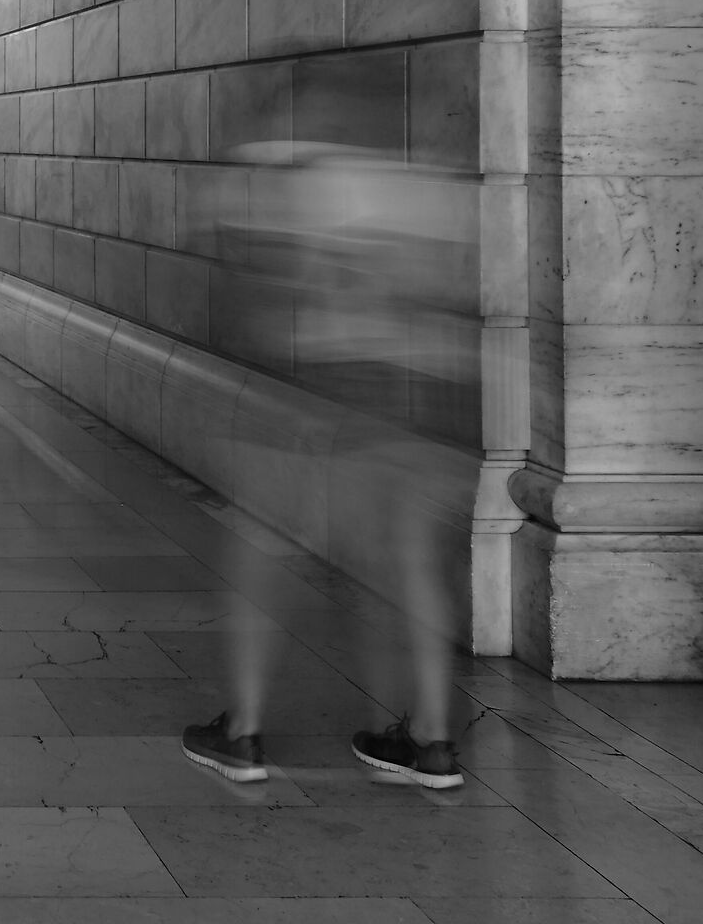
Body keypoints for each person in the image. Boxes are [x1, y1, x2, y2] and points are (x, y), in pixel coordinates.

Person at [180, 142, 479, 792]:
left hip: (321, 393)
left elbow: (250, 290)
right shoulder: (432, 179)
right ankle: (429, 743)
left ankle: (244, 733)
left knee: (261, 553)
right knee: (416, 568)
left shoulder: (299, 172)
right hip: (423, 403)